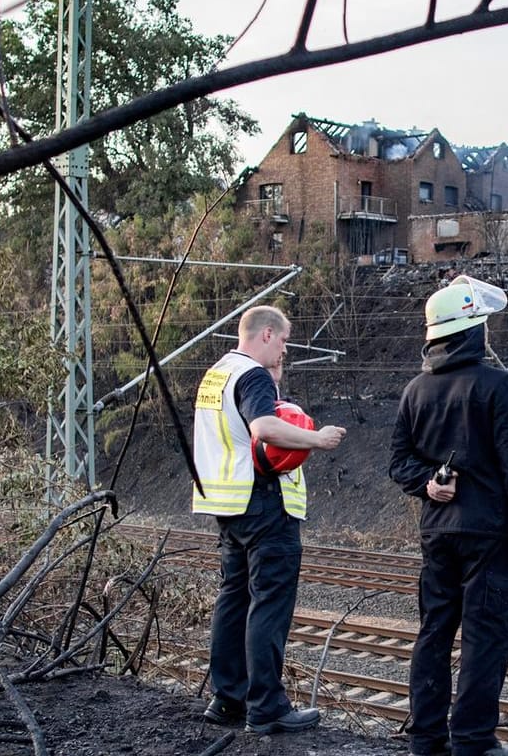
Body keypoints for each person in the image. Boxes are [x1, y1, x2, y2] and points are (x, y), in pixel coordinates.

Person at [389, 275, 508, 756]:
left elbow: (398, 462)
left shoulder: (415, 391)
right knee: (485, 638)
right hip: (487, 536)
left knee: (434, 633)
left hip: (436, 535)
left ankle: (426, 739)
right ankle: (474, 741)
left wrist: (428, 484)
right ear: (473, 331)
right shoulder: (497, 386)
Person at [193, 305, 347, 734]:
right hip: (262, 504)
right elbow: (263, 428)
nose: (284, 348)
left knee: (234, 600)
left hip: (228, 505)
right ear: (265, 334)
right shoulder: (251, 374)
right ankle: (267, 706)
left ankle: (228, 700)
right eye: (283, 340)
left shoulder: (216, 374)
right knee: (269, 604)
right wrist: (317, 439)